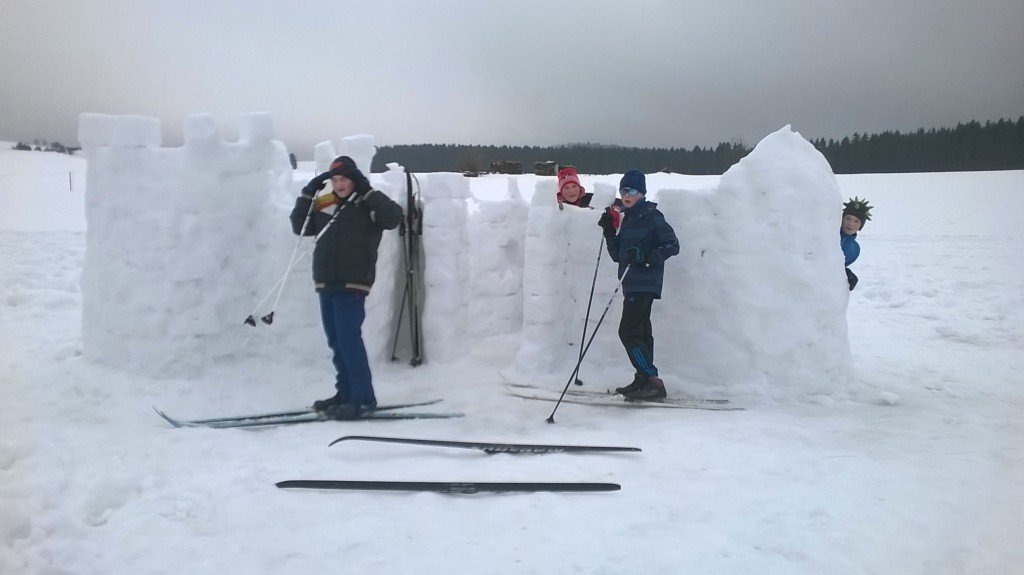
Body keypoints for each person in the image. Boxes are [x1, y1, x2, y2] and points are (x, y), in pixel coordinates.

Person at [290, 155, 403, 419]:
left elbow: (393, 218)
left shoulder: (368, 203)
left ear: (355, 180)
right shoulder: (326, 204)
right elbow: (300, 226)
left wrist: (366, 190)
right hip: (326, 281)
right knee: (336, 341)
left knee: (349, 340)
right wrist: (308, 193)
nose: (339, 185)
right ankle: (345, 393)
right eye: (335, 180)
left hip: (353, 282)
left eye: (345, 180)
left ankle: (363, 399)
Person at [597, 169, 680, 400]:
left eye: (632, 190)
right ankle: (644, 379)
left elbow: (672, 245)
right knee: (641, 333)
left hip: (645, 282)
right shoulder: (629, 218)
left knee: (628, 332)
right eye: (623, 190)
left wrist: (645, 257)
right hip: (631, 284)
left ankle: (652, 379)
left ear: (642, 193)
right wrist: (608, 232)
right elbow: (619, 256)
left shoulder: (652, 216)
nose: (626, 194)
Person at [840, 196, 872, 291]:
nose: (850, 224)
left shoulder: (854, 249)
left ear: (860, 226)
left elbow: (837, 266)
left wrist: (845, 273)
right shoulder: (828, 234)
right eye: (848, 218)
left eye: (856, 221)